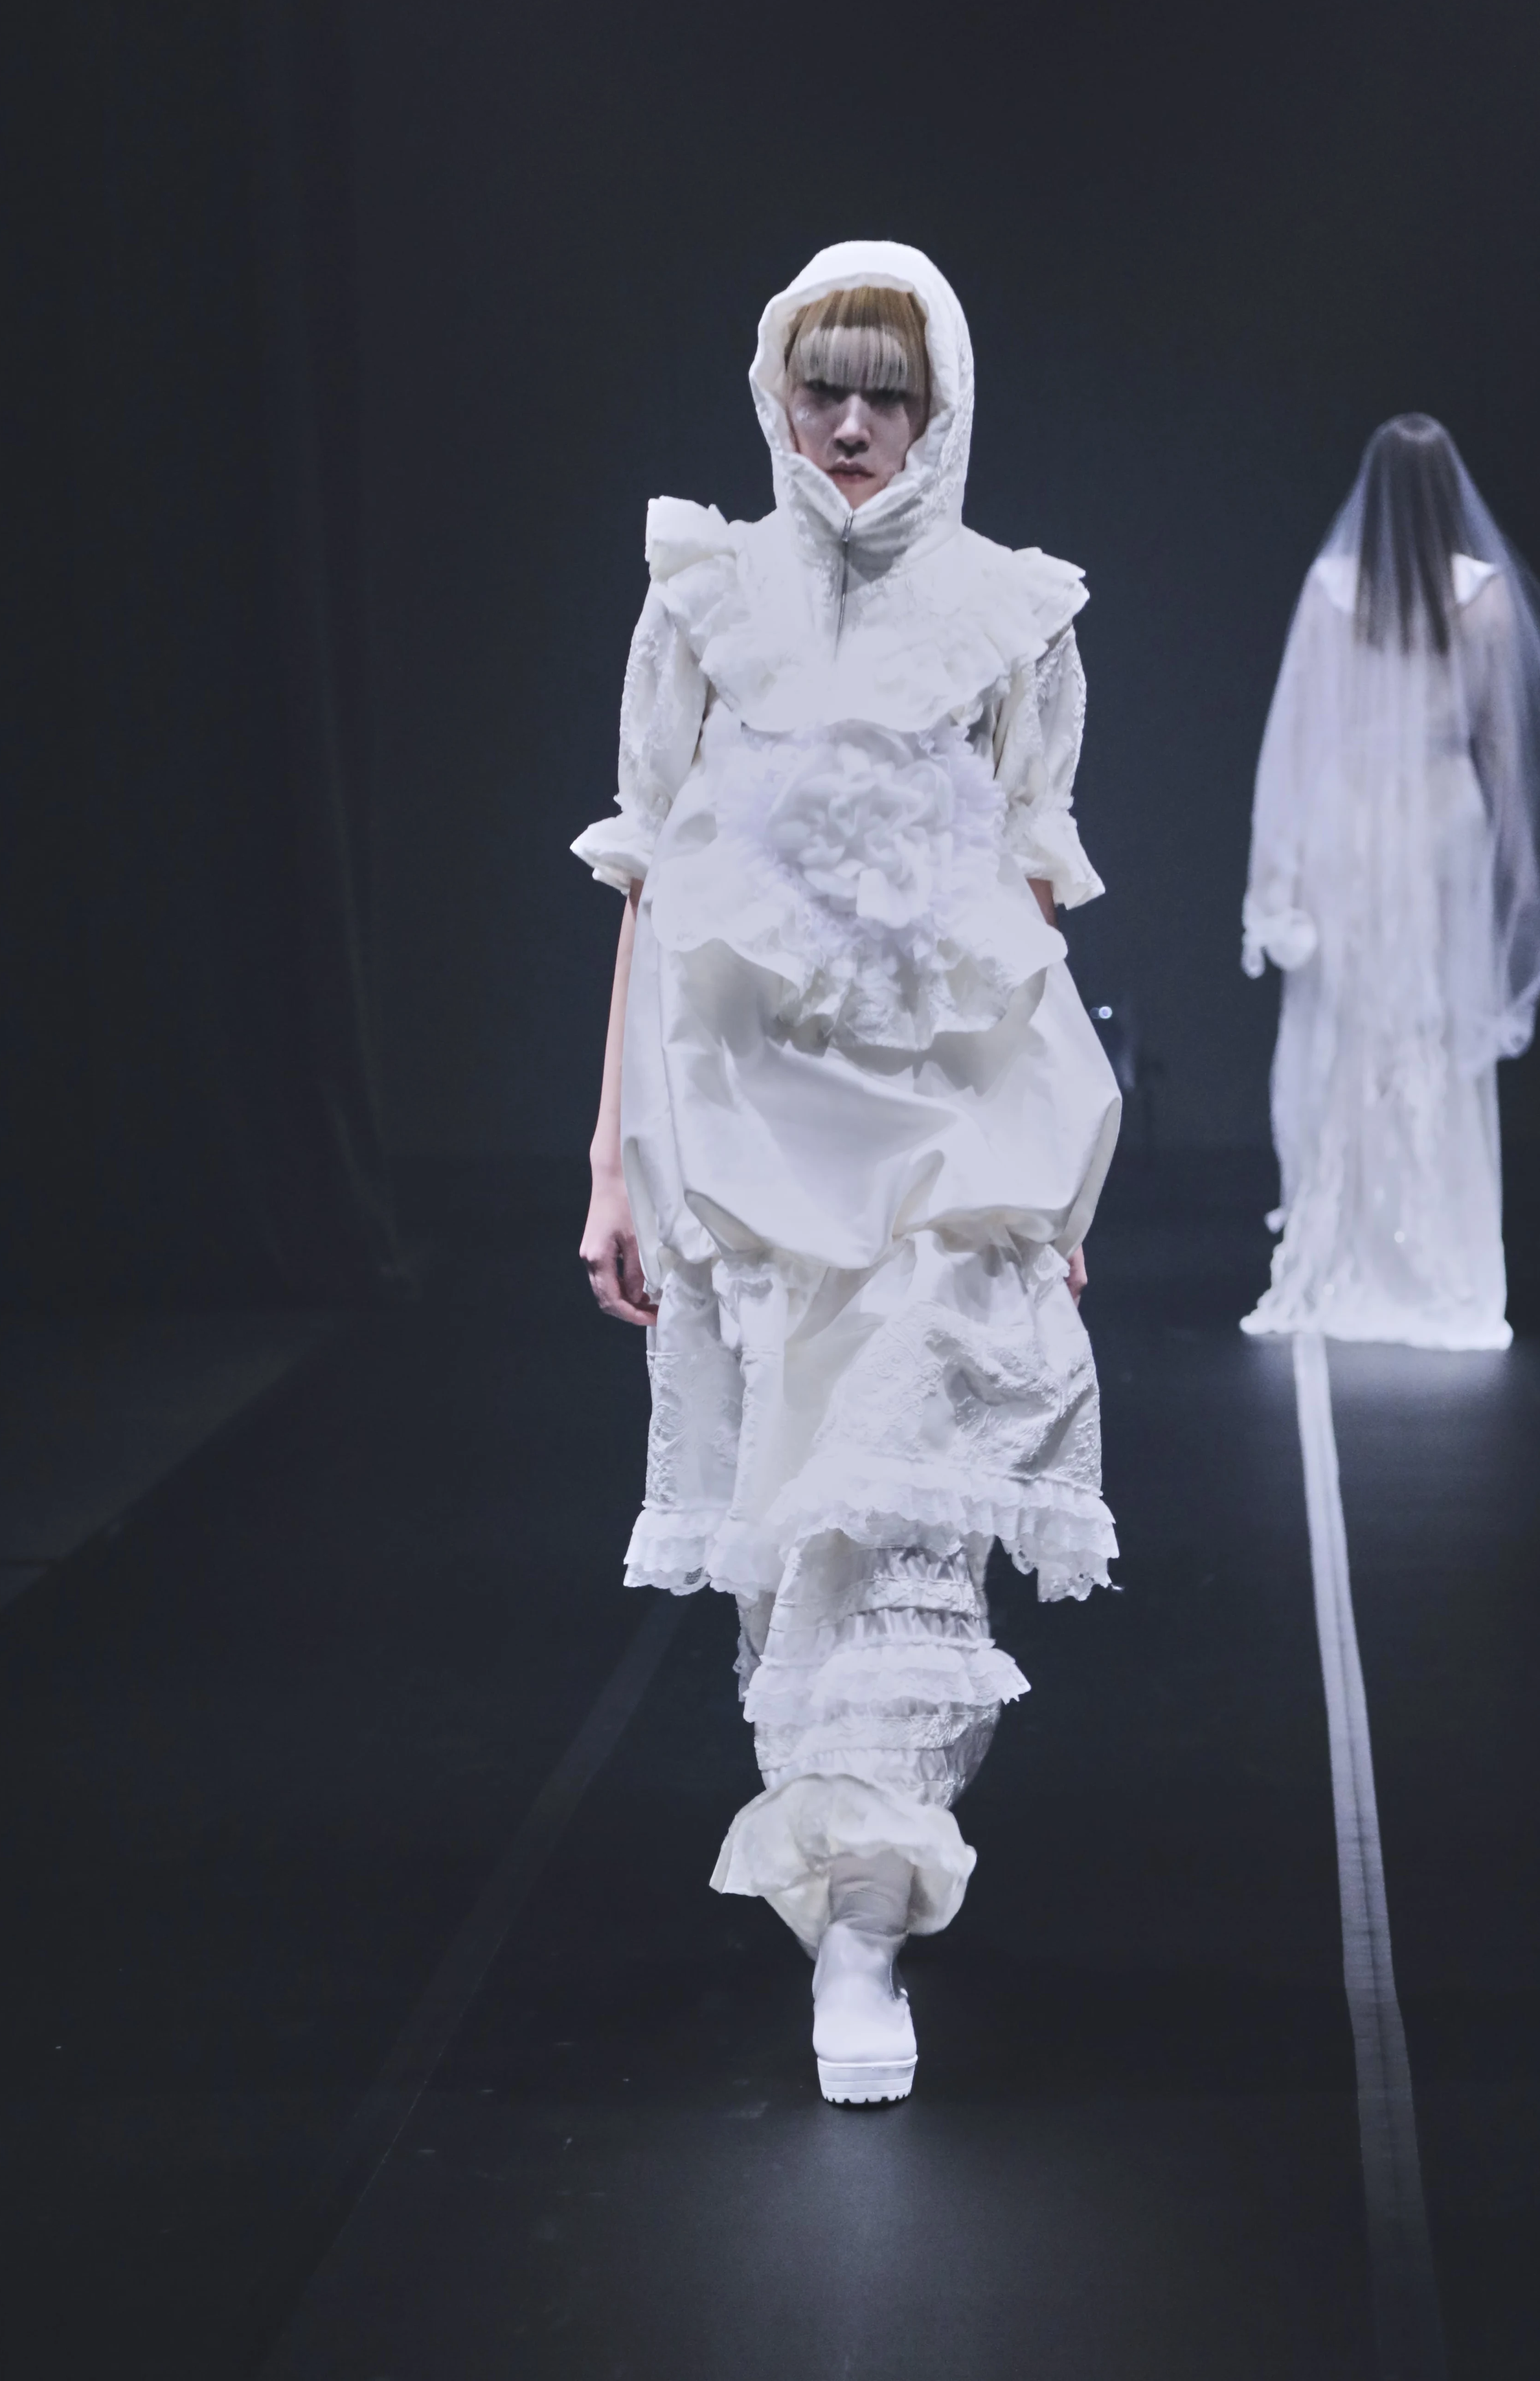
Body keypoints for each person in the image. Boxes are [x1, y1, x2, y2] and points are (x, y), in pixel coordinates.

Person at [573, 243, 1120, 2103]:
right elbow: (651, 883)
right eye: (829, 388)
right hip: (741, 1139)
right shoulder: (703, 600)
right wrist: (609, 1163)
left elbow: (1032, 903)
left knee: (910, 1530)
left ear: (941, 407)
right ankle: (836, 1886)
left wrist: (1052, 1191)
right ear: (778, 396)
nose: (858, 425)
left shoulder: (1009, 616)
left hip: (947, 1145)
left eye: (892, 391)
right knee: (791, 1545)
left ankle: (871, 1932)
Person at [1240, 414, 1540, 1350]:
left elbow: (1297, 740)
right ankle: (1438, 1252)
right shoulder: (1481, 597)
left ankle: (1359, 1244)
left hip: (1353, 821)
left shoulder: (1334, 593)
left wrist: (1276, 879)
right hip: (1445, 819)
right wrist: (1517, 861)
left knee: (1357, 1031)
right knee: (1433, 1032)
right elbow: (1503, 742)